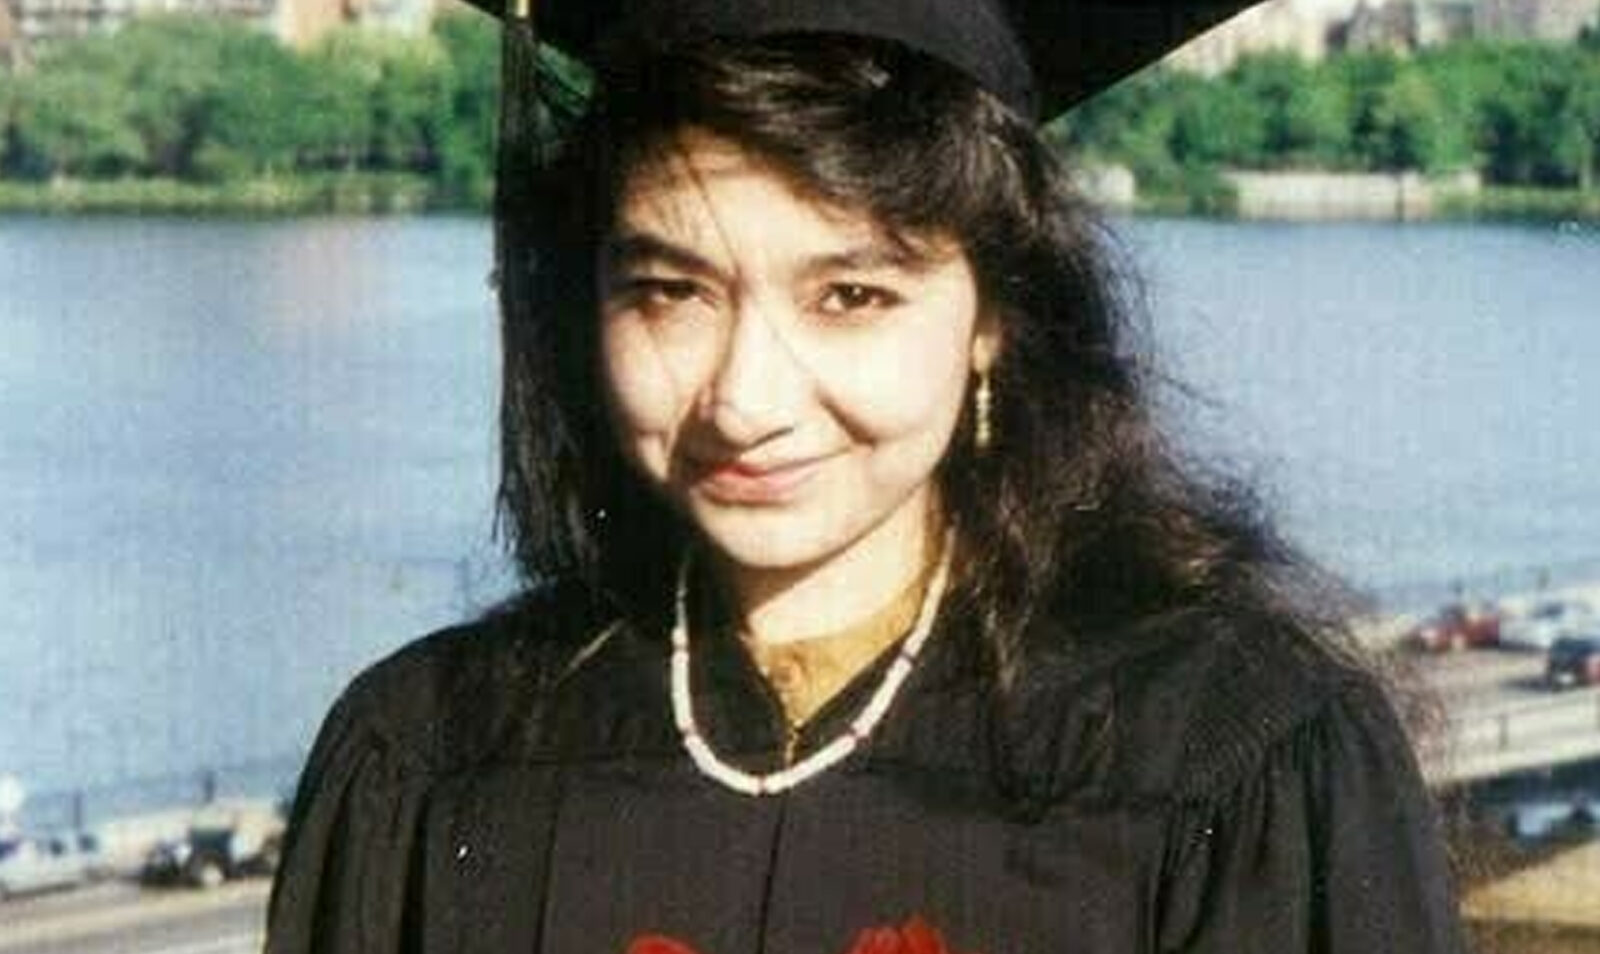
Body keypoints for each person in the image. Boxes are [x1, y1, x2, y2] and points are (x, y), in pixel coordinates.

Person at [266, 2, 1470, 952]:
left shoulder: (1229, 758)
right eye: (670, 292)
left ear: (992, 315)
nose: (745, 399)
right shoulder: (429, 759)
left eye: (850, 296)